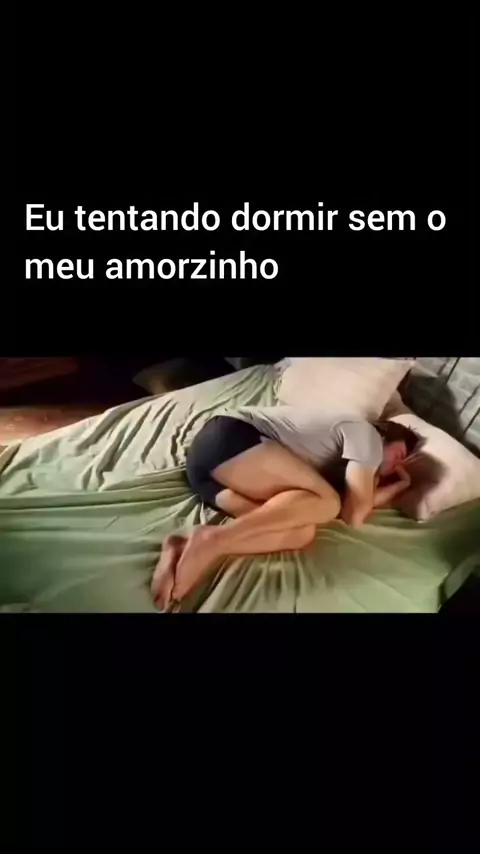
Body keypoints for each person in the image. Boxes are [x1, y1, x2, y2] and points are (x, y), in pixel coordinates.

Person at [150, 406, 421, 610]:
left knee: (302, 533)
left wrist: (398, 485)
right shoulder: (368, 436)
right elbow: (355, 515)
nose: (397, 466)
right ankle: (213, 539)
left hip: (208, 475)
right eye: (399, 455)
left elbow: (351, 508)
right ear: (386, 435)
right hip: (229, 438)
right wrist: (395, 483)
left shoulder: (341, 465)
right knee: (328, 502)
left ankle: (181, 545)